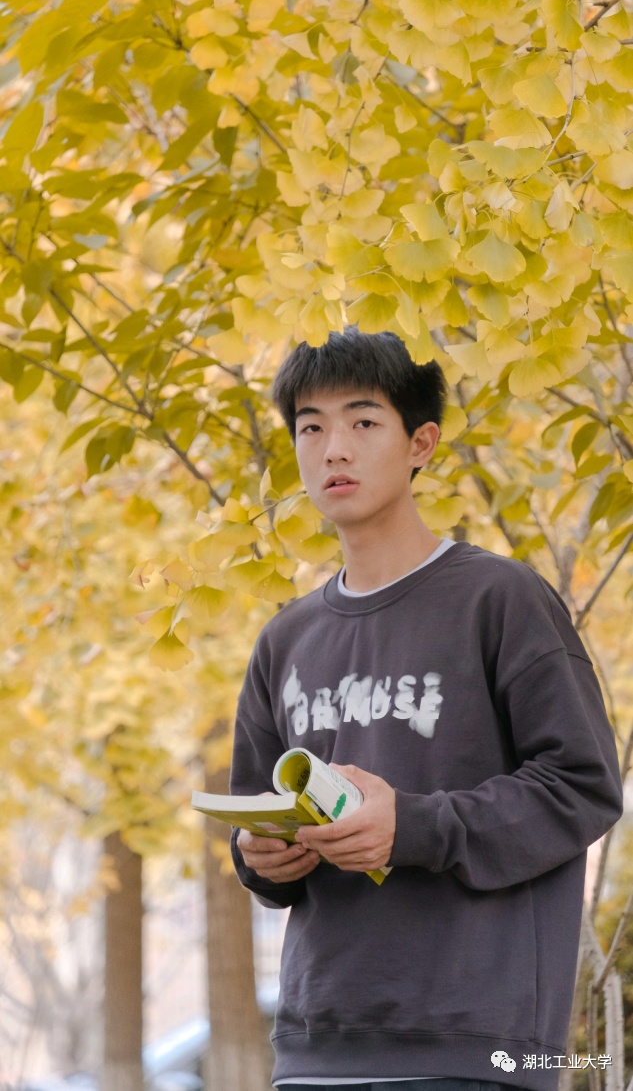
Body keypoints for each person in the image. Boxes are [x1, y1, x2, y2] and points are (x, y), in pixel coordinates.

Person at [229, 327, 623, 1091]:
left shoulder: (499, 600)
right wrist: (262, 859)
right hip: (315, 1053)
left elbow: (583, 786)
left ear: (421, 443)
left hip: (476, 1048)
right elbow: (256, 822)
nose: (333, 449)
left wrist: (411, 826)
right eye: (310, 428)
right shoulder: (285, 640)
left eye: (362, 421)